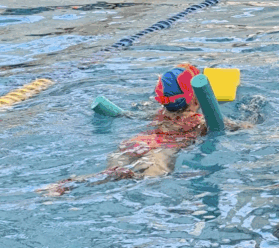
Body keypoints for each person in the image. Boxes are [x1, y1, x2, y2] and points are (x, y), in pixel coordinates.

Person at [43, 63, 238, 194]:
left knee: (107, 172)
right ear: (196, 99)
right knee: (149, 180)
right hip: (165, 148)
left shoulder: (158, 113)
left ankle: (68, 184)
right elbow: (231, 127)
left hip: (137, 142)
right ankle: (126, 175)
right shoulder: (199, 121)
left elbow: (128, 114)